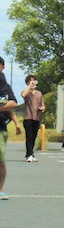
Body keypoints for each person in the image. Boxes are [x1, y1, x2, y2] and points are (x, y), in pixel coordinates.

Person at [0, 56, 16, 200]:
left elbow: (13, 103)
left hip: (0, 128)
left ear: (2, 67)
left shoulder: (4, 85)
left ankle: (0, 189)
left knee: (1, 160)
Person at [21, 74, 45, 163]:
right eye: (31, 81)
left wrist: (42, 108)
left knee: (34, 137)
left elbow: (42, 105)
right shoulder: (25, 92)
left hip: (37, 117)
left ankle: (31, 153)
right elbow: (23, 95)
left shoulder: (39, 93)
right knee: (29, 136)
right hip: (28, 117)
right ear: (27, 83)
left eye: (34, 80)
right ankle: (29, 155)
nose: (33, 82)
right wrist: (29, 87)